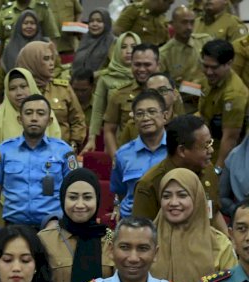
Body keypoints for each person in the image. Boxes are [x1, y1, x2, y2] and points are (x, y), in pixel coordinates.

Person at [0, 94, 77, 235]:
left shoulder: (64, 151)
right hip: (14, 228)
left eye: (40, 113)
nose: (34, 118)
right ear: (20, 119)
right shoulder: (4, 150)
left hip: (53, 229)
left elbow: (74, 192)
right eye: (28, 113)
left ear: (50, 121)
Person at [132, 114, 228, 234]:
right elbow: (141, 233)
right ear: (182, 151)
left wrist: (228, 241)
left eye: (211, 143)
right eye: (206, 145)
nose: (211, 150)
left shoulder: (207, 170)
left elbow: (214, 213)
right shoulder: (149, 184)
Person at [0, 68, 62, 193]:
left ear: (31, 86)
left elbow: (57, 154)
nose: (19, 92)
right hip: (7, 192)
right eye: (12, 88)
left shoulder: (47, 115)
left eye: (23, 86)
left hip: (43, 189)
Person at [152, 167, 236, 282]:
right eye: (166, 196)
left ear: (197, 199)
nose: (173, 202)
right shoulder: (146, 240)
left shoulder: (219, 243)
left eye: (182, 195)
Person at [39, 168, 115, 282]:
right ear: (62, 199)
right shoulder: (44, 240)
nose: (80, 205)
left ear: (97, 200)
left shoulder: (111, 240)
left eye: (87, 197)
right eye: (73, 197)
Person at [14, 41, 87, 149]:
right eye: (46, 59)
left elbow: (78, 120)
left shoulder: (63, 89)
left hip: (60, 152)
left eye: (52, 58)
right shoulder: (19, 90)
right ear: (32, 61)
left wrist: (73, 145)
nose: (52, 63)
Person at [111, 90, 169, 219]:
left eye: (152, 112)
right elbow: (121, 192)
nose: (146, 118)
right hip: (132, 222)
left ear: (165, 116)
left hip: (167, 221)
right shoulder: (123, 154)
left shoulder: (177, 150)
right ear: (134, 120)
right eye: (140, 114)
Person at [85, 31, 140, 152]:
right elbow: (98, 111)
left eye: (134, 47)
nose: (129, 51)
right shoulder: (106, 78)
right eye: (123, 47)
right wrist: (92, 139)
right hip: (115, 141)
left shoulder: (144, 77)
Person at [199, 39, 248, 171]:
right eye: (205, 66)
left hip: (228, 157)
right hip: (208, 145)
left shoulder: (234, 94)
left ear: (229, 64)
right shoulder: (211, 79)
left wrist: (217, 170)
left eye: (214, 67)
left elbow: (230, 139)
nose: (208, 72)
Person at [0, 9, 45, 105]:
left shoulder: (44, 46)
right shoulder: (10, 48)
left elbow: (55, 70)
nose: (29, 26)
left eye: (32, 23)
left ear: (37, 26)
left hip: (41, 96)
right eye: (25, 23)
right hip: (15, 98)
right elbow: (0, 80)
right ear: (19, 26)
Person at [160, 5, 210, 114]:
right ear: (172, 24)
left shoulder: (205, 41)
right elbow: (165, 87)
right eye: (184, 22)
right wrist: (196, 89)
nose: (189, 27)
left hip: (210, 105)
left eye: (192, 22)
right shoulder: (164, 54)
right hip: (185, 109)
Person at [72, 9, 114, 74]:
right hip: (77, 80)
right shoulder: (85, 39)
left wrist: (94, 75)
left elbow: (115, 68)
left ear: (106, 23)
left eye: (99, 21)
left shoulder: (112, 42)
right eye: (91, 21)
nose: (94, 24)